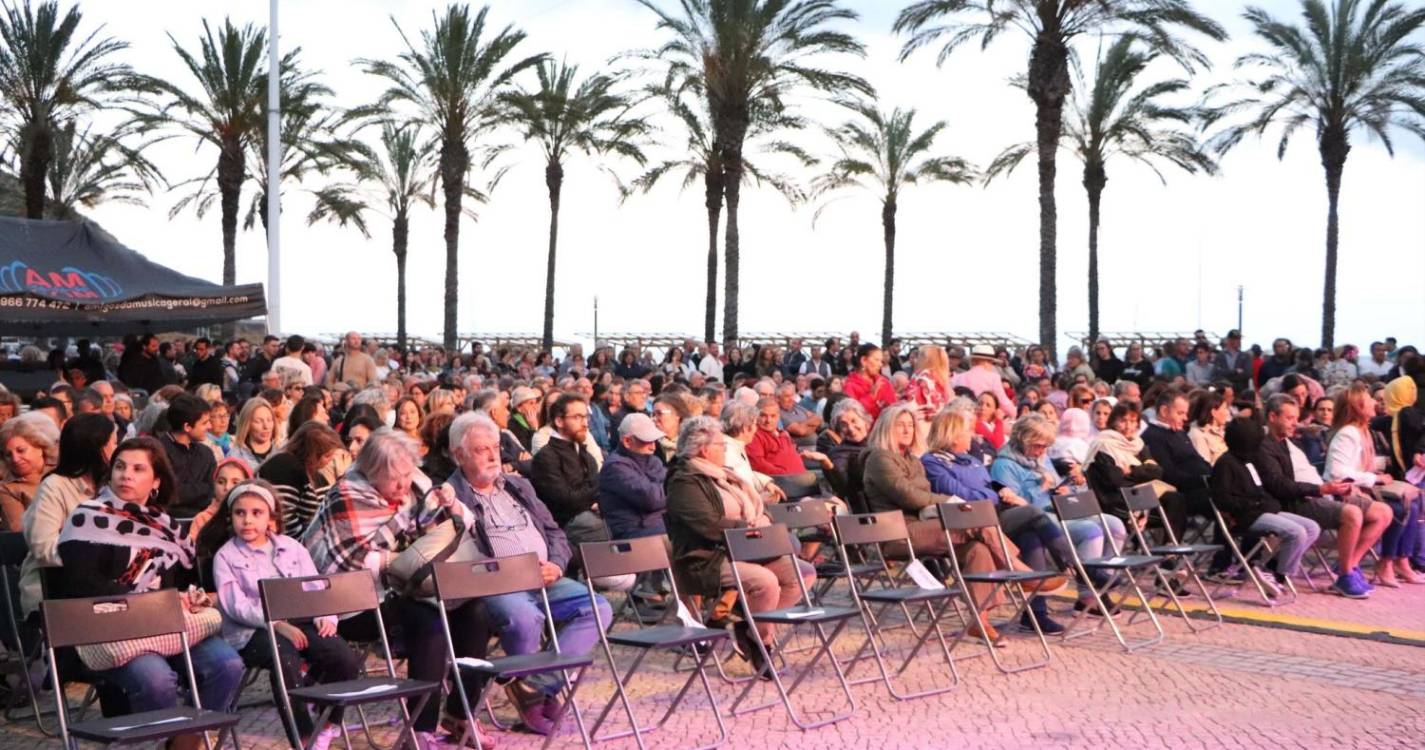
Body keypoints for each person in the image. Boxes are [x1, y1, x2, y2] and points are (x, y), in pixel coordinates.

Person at [55, 437, 244, 746]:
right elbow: (81, 586)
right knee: (157, 682)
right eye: (119, 466)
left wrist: (188, 597)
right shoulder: (87, 517)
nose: (126, 474)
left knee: (228, 665)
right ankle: (167, 743)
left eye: (138, 469)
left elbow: (176, 585)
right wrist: (144, 605)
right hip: (113, 630)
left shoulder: (165, 526)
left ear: (155, 481)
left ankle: (188, 743)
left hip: (165, 626)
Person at [443, 412, 611, 737]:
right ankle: (534, 695)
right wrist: (512, 571)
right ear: (458, 454)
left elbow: (555, 533)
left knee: (598, 607)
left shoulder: (518, 485)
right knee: (525, 617)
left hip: (546, 578)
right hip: (498, 583)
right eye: (482, 450)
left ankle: (535, 685)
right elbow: (460, 556)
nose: (494, 456)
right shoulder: (451, 496)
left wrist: (558, 564)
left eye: (495, 447)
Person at [302, 428, 468, 747]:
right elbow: (355, 559)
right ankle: (325, 706)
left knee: (437, 617)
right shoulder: (347, 493)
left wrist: (448, 503)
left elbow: (431, 527)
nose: (404, 485)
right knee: (425, 616)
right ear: (372, 472)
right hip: (338, 603)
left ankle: (422, 730)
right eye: (395, 478)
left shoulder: (408, 486)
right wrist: (406, 558)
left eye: (407, 475)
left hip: (383, 592)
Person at [862, 405, 1063, 642]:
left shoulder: (913, 461)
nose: (907, 430)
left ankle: (980, 620)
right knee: (976, 519)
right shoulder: (879, 458)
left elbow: (923, 497)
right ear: (886, 428)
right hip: (895, 532)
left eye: (910, 425)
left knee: (978, 549)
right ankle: (1022, 574)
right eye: (900, 425)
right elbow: (909, 496)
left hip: (923, 526)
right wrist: (949, 500)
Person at [208, 479, 360, 750]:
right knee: (285, 658)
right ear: (230, 517)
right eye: (240, 513)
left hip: (299, 620)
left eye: (257, 513)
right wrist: (276, 624)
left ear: (271, 517)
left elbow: (314, 586)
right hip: (252, 630)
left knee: (345, 659)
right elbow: (235, 606)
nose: (247, 520)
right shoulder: (226, 556)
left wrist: (326, 616)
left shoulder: (291, 547)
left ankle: (326, 722)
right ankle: (303, 738)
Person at [665, 416, 815, 674]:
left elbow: (755, 507)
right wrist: (750, 530)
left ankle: (749, 627)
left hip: (747, 548)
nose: (725, 450)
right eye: (721, 445)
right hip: (707, 559)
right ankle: (761, 642)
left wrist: (763, 522)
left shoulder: (725, 475)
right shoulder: (684, 481)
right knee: (765, 581)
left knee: (803, 573)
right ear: (704, 449)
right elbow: (709, 526)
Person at [921, 410, 1072, 633]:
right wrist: (995, 494)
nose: (972, 436)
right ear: (953, 436)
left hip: (994, 515)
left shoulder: (971, 460)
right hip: (971, 521)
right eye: (967, 432)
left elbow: (991, 486)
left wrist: (1002, 491)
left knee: (1031, 536)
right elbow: (960, 493)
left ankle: (1036, 614)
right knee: (1033, 514)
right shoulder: (933, 463)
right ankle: (1076, 565)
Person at [991, 413, 1124, 614]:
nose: (1041, 451)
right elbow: (1017, 507)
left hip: (1060, 510)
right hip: (1041, 520)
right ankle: (1087, 591)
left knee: (1114, 524)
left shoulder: (1042, 458)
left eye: (1045, 447)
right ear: (1021, 439)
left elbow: (1054, 486)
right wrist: (1041, 488)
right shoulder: (1004, 464)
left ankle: (1101, 586)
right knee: (1090, 530)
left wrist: (1066, 490)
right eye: (1037, 446)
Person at [17, 413, 117, 617]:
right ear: (97, 449)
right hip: (56, 593)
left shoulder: (111, 485)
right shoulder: (54, 487)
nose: (118, 450)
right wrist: (99, 554)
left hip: (101, 590)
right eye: (114, 443)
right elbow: (44, 547)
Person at [528, 394, 631, 590]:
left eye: (585, 417)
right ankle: (615, 572)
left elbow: (592, 491)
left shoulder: (585, 453)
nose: (584, 423)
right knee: (597, 526)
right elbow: (565, 500)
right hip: (562, 523)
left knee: (622, 516)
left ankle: (629, 575)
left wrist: (596, 497)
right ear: (559, 421)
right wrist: (594, 491)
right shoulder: (546, 457)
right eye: (577, 417)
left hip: (586, 515)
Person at [1211, 417, 1322, 591]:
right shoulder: (1226, 463)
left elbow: (1260, 488)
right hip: (1246, 516)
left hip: (1264, 510)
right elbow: (1223, 499)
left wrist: (1266, 502)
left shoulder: (1249, 461)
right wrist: (1254, 503)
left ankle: (1275, 566)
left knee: (1311, 527)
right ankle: (1280, 576)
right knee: (1296, 532)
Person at [1319, 387, 1398, 591]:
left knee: (1387, 512)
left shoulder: (1360, 431)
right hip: (1340, 493)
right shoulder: (1348, 433)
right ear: (1357, 406)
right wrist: (1374, 478)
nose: (1373, 401)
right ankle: (1347, 569)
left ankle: (1349, 565)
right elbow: (1337, 472)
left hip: (1353, 491)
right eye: (1369, 398)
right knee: (1384, 512)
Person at [258, 422, 350, 540]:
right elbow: (285, 519)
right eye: (327, 456)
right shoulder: (285, 468)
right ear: (312, 455)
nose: (330, 460)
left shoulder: (316, 476)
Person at [598, 413, 669, 541]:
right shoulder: (615, 467)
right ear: (627, 441)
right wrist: (671, 490)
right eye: (646, 441)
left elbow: (669, 486)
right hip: (634, 534)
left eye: (654, 440)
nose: (653, 446)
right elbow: (651, 499)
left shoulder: (653, 460)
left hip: (660, 525)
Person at [160, 393, 218, 518]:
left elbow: (213, 490)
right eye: (204, 423)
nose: (210, 427)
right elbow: (170, 494)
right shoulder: (158, 451)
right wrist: (203, 488)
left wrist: (189, 490)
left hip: (203, 519)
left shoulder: (206, 453)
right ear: (187, 426)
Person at [0, 413, 59, 531]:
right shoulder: (7, 488)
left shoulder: (61, 470)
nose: (15, 459)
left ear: (40, 447)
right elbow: (17, 528)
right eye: (8, 455)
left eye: (21, 450)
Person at [187, 457, 253, 543]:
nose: (227, 487)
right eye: (221, 482)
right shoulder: (202, 519)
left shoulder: (255, 517)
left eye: (235, 483)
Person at [952, 345, 1016, 420]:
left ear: (972, 361)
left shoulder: (957, 377)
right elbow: (1004, 402)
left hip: (959, 418)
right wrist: (1014, 413)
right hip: (981, 419)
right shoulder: (993, 378)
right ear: (988, 362)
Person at [844, 344, 897, 421]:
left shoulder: (884, 382)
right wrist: (871, 396)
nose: (880, 364)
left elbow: (894, 409)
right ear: (864, 360)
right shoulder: (850, 386)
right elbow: (851, 416)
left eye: (881, 361)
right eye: (877, 360)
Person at [906, 345, 953, 425]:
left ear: (925, 359)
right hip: (939, 425)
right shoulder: (942, 379)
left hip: (921, 424)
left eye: (919, 356)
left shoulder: (922, 378)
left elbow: (911, 404)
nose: (915, 360)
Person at [230, 397, 279, 469]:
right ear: (247, 424)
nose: (266, 426)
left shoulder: (283, 452)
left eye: (269, 420)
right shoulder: (235, 457)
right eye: (258, 421)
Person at [1188, 391, 1230, 465]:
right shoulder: (1198, 435)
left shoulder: (1223, 431)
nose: (1227, 413)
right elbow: (1204, 467)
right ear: (1214, 412)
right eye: (1225, 408)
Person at [508, 386, 541, 450]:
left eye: (535, 403)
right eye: (531, 403)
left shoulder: (538, 418)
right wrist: (534, 428)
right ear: (519, 408)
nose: (535, 407)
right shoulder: (514, 424)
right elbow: (529, 449)